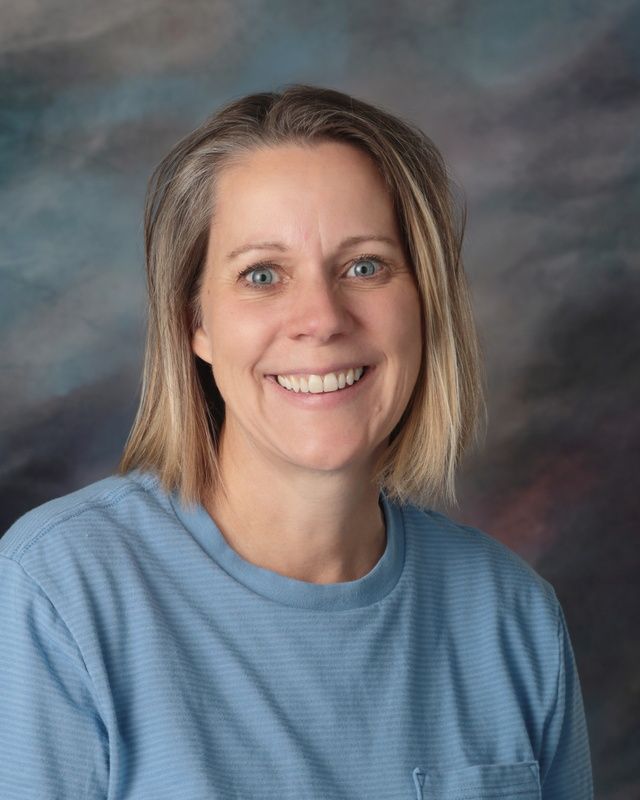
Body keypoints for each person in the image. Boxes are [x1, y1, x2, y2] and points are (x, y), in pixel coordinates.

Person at [0, 84, 593, 799]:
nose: (321, 318)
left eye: (365, 266)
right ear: (197, 324)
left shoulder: (513, 618)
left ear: (425, 301)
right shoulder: (57, 593)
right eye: (262, 275)